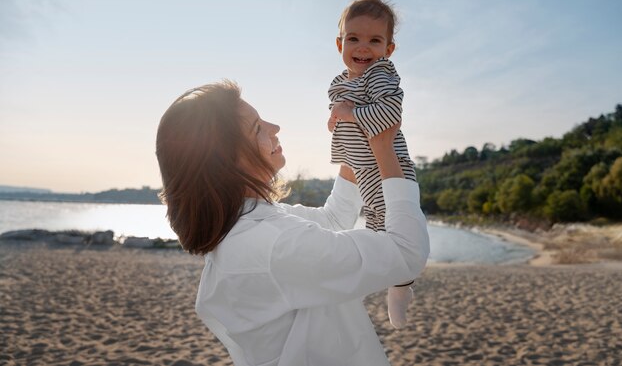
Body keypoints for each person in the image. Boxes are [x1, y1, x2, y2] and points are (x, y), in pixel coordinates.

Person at [156, 80, 429, 366]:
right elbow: (407, 251)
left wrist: (354, 150)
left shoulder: (245, 225)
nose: (274, 127)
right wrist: (385, 148)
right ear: (226, 162)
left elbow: (331, 221)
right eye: (257, 128)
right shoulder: (272, 243)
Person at [327, 0, 418, 329]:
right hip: (364, 170)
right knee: (376, 227)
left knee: (395, 228)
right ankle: (394, 283)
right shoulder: (340, 81)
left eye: (374, 41)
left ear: (388, 49)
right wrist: (337, 118)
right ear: (340, 45)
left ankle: (400, 289)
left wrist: (349, 113)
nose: (363, 47)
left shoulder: (380, 73)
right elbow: (343, 111)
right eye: (353, 39)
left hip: (390, 168)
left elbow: (391, 112)